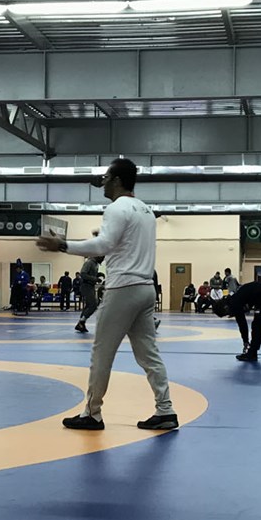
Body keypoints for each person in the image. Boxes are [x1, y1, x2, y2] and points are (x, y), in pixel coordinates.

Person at [36, 157, 177, 432]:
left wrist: (63, 245)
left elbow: (103, 246)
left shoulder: (116, 208)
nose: (103, 182)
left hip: (122, 288)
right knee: (149, 354)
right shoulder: (146, 211)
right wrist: (103, 235)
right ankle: (165, 410)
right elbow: (120, 243)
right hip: (145, 289)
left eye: (106, 177)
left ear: (117, 180)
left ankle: (92, 413)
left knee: (101, 353)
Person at [212, 280, 261, 361]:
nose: (228, 314)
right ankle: (253, 352)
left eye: (226, 313)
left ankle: (252, 353)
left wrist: (245, 341)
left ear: (225, 308)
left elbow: (242, 324)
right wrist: (245, 341)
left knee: (258, 325)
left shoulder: (234, 303)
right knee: (257, 324)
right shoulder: (232, 300)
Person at [74, 252, 102, 333]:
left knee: (88, 305)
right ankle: (81, 322)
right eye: (102, 257)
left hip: (91, 286)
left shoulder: (95, 264)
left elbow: (90, 274)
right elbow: (83, 274)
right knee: (93, 304)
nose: (103, 260)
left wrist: (98, 275)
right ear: (98, 255)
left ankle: (81, 324)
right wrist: (95, 279)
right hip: (86, 286)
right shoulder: (89, 262)